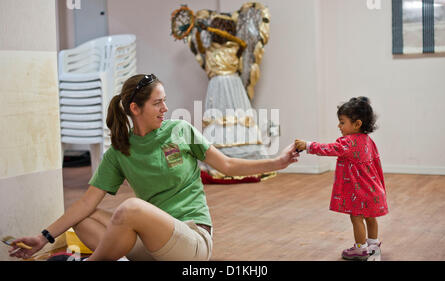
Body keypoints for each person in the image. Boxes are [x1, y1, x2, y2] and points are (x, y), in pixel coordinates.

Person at [8, 74, 299, 261]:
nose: (165, 109)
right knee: (84, 217)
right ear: (135, 108)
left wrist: (278, 161)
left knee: (131, 208)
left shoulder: (180, 131)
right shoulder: (120, 150)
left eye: (165, 102)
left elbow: (227, 164)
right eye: (157, 103)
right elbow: (85, 203)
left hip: (191, 240)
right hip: (151, 245)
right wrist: (43, 237)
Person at [182, 4, 273, 183]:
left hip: (233, 84)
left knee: (238, 117)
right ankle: (219, 161)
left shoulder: (235, 46)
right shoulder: (208, 49)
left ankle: (247, 161)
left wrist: (212, 29)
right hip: (216, 85)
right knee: (217, 120)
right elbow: (199, 45)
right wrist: (200, 31)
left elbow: (243, 43)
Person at [295, 97, 388, 261]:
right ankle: (373, 246)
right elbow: (376, 164)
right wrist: (381, 188)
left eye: (342, 122)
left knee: (356, 217)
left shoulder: (348, 142)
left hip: (359, 192)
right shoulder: (369, 141)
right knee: (370, 217)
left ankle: (360, 249)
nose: (339, 126)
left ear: (357, 124)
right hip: (373, 189)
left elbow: (329, 149)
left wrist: (308, 145)